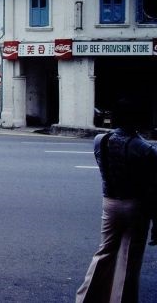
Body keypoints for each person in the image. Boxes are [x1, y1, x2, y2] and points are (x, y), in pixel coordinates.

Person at [75, 97, 157, 303]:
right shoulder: (145, 149)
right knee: (129, 258)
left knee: (104, 251)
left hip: (110, 203)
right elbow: (153, 188)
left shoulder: (100, 141)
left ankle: (87, 298)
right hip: (135, 205)